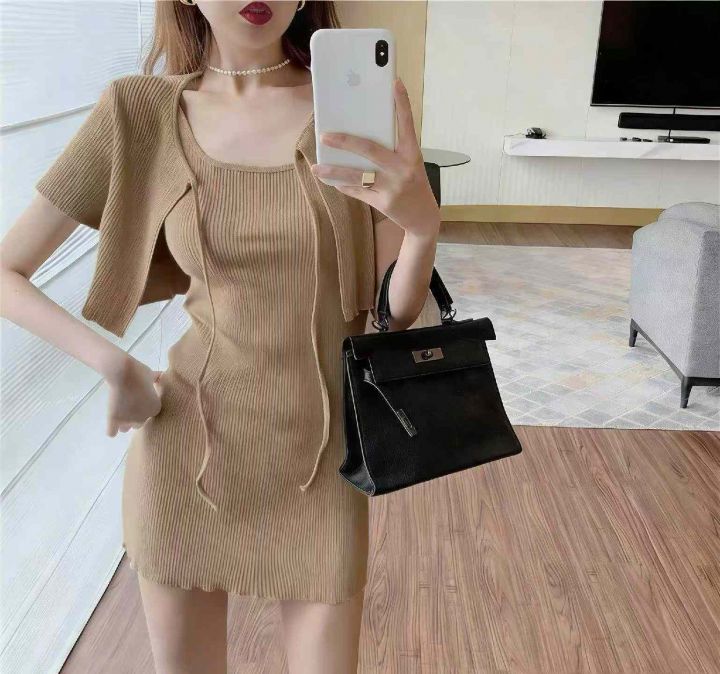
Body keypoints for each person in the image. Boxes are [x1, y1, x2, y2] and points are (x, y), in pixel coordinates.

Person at [0, 1, 440, 672]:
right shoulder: (139, 113)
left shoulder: (358, 108)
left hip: (324, 463)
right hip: (186, 457)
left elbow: (393, 315)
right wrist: (115, 366)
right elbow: (7, 271)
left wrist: (422, 229)